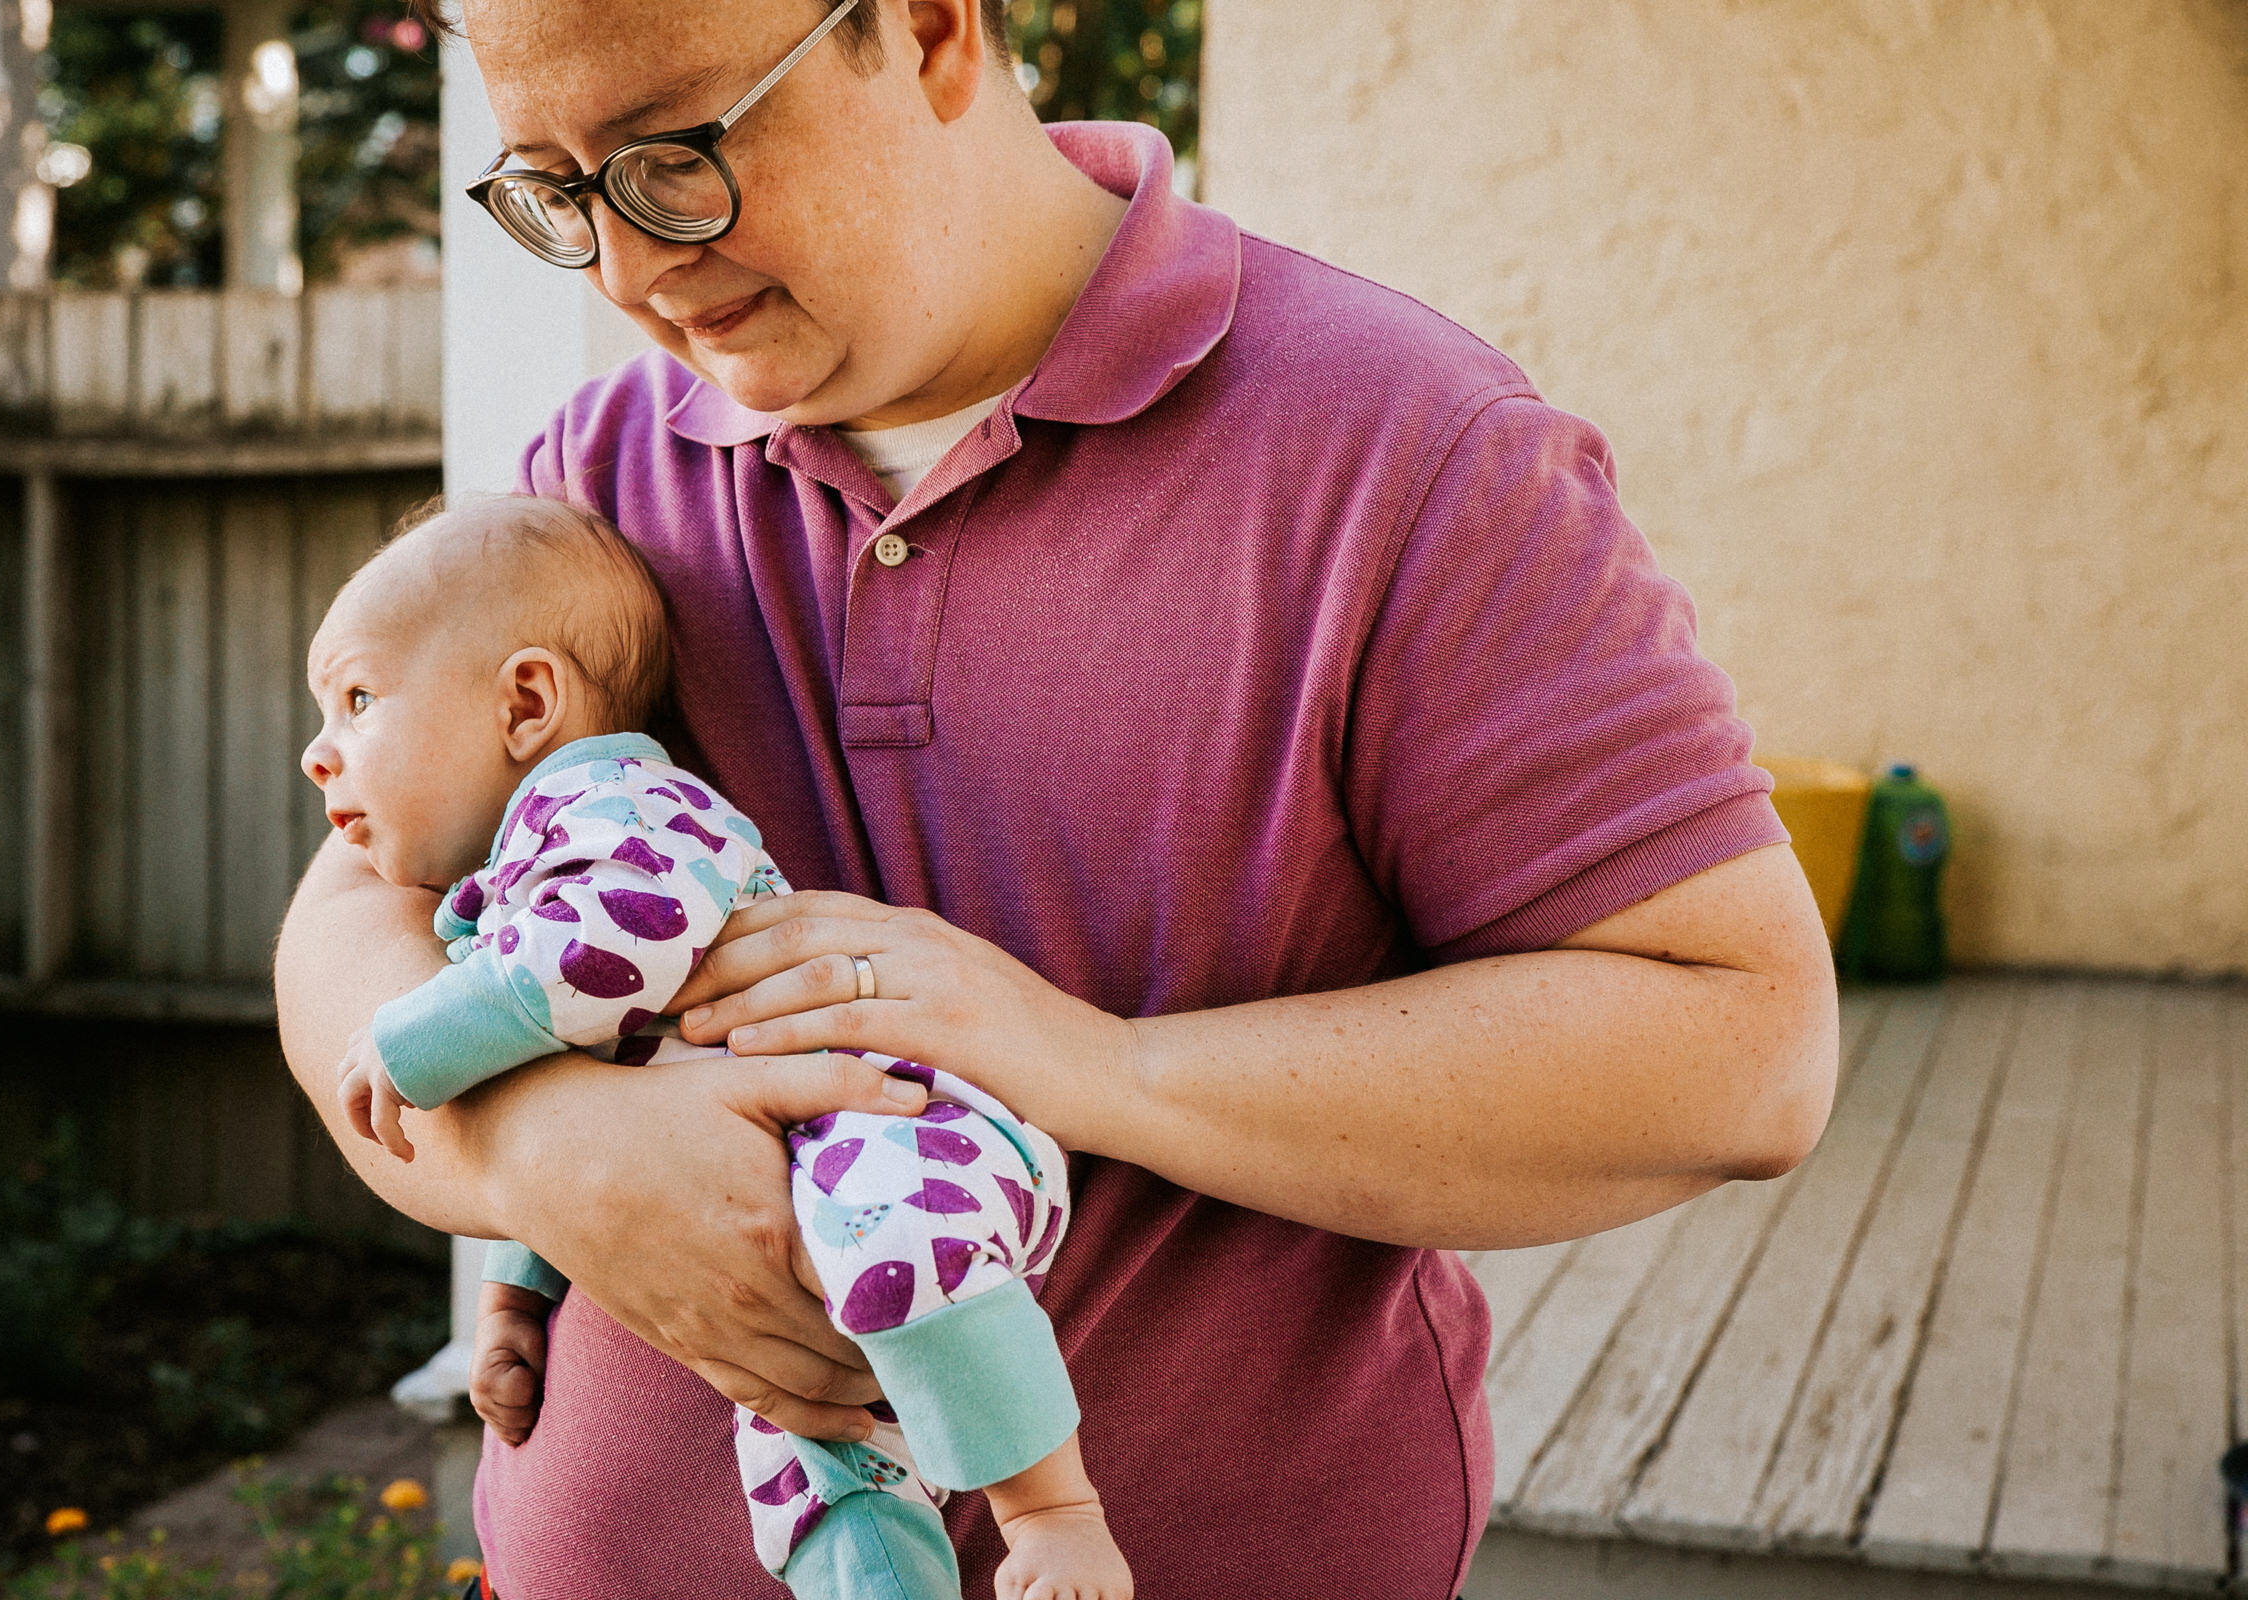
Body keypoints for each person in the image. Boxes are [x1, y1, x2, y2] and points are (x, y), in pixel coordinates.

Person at [274, 1, 1841, 1594]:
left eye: (678, 155)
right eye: (557, 190)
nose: (626, 267)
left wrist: (1094, 1066)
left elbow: (1741, 1050)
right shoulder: (600, 475)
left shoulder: (1410, 455)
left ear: (934, 27)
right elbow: (353, 913)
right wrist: (539, 1148)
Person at [303, 495, 1129, 1600]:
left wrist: (414, 1033)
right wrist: (514, 1298)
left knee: (898, 1261)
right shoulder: (502, 898)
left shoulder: (612, 804)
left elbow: (615, 949)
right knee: (818, 1464)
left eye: (357, 700)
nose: (319, 753)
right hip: (797, 1207)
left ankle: (1055, 1514)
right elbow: (586, 1109)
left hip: (883, 1130)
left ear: (528, 701)